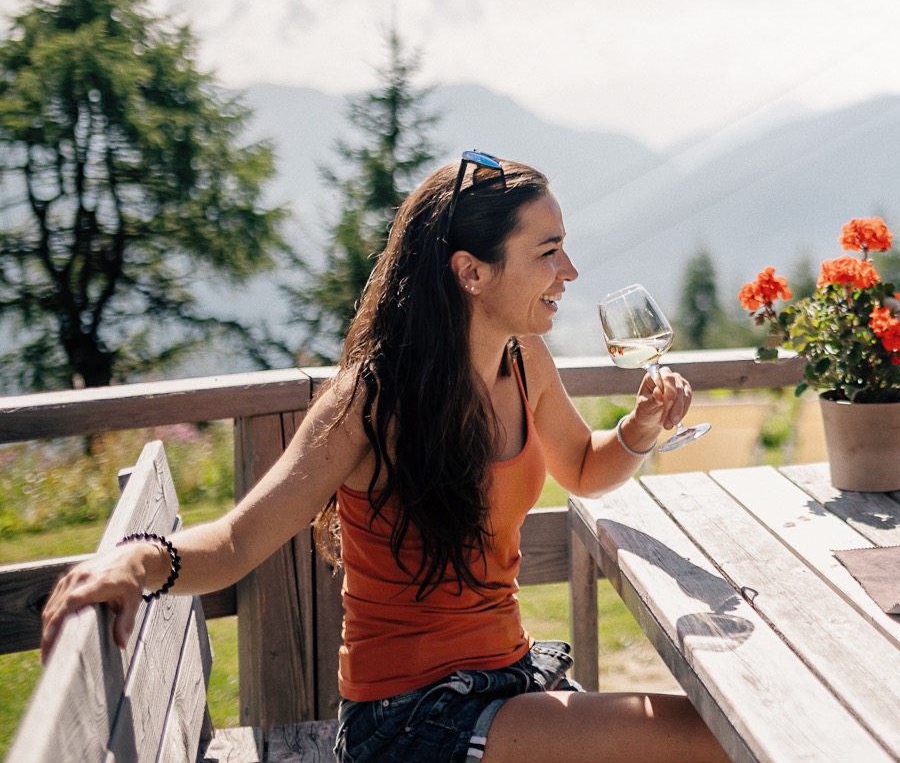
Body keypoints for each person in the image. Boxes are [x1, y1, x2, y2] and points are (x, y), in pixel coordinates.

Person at [40, 153, 728, 763]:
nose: (569, 271)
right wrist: (136, 559)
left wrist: (638, 430)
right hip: (410, 723)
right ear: (472, 272)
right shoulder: (370, 401)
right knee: (711, 738)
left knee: (721, 732)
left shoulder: (526, 362)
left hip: (505, 680)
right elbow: (239, 538)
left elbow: (583, 466)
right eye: (548, 251)